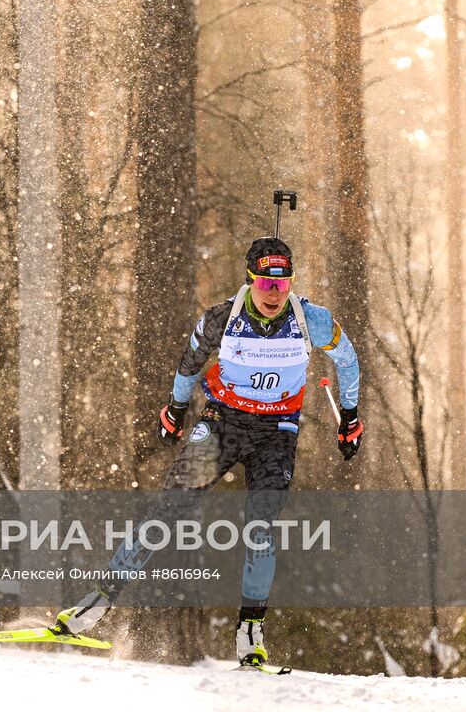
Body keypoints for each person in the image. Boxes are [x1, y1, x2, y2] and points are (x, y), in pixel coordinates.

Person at [52, 237, 363, 667]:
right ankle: (98, 602)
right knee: (169, 508)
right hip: (222, 424)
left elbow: (348, 360)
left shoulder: (312, 319)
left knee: (261, 527)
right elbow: (189, 363)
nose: (274, 293)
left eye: (283, 283)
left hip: (277, 432)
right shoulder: (222, 318)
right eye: (265, 283)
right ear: (250, 279)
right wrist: (176, 409)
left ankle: (250, 633)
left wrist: (349, 417)